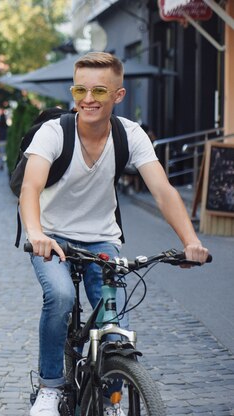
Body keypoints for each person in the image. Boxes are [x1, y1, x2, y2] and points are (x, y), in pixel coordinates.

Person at [20, 52, 210, 416]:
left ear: (118, 96)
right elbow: (31, 188)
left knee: (115, 318)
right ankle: (50, 386)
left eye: (99, 91)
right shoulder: (54, 132)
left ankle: (113, 399)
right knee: (59, 297)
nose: (87, 99)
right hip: (51, 237)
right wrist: (36, 233)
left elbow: (164, 190)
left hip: (101, 238)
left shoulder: (130, 134)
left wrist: (191, 242)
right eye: (80, 89)